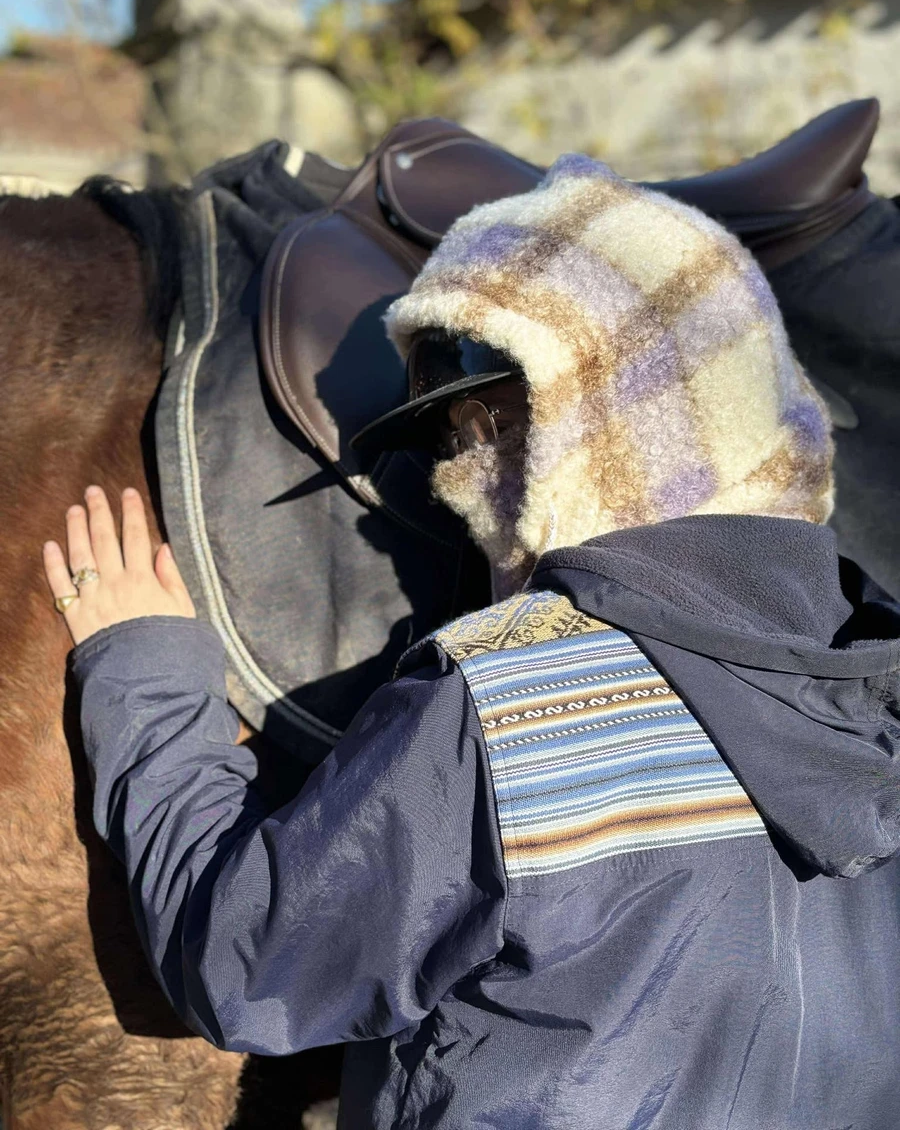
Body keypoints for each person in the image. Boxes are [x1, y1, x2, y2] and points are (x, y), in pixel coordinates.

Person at [44, 156, 900, 1129]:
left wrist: (144, 665)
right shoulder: (874, 687)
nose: (467, 494)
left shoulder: (507, 714)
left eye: (472, 441)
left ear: (584, 447)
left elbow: (244, 968)